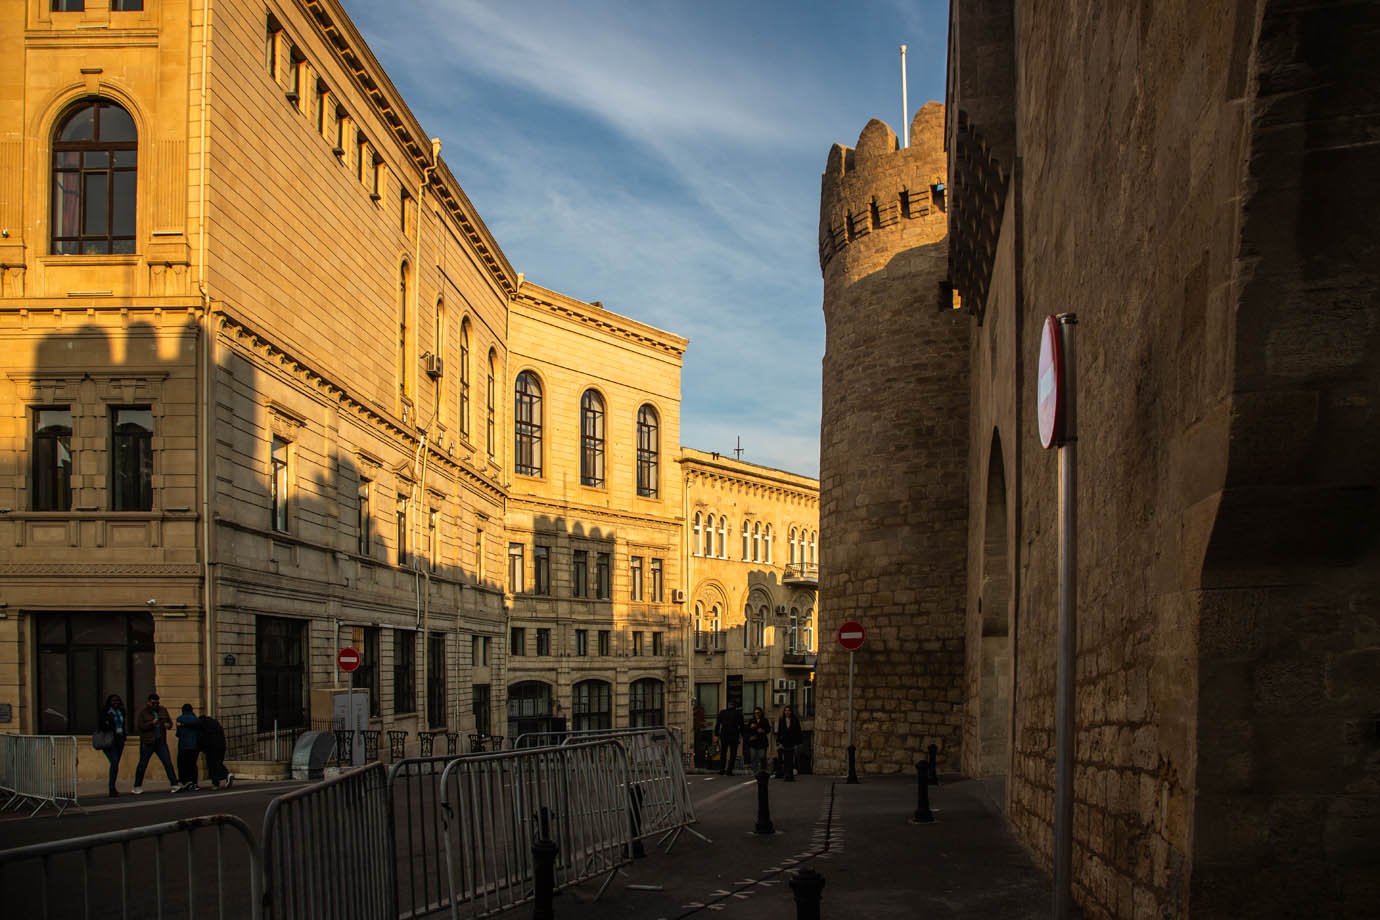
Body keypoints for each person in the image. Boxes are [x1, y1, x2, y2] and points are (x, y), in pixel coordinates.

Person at [132, 692, 180, 794]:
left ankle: (174, 784)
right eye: (153, 703)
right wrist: (151, 723)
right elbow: (140, 727)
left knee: (167, 762)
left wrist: (168, 724)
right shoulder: (143, 712)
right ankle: (137, 785)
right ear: (148, 702)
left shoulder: (162, 710)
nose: (155, 705)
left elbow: (170, 723)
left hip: (160, 741)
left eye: (157, 703)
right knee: (143, 764)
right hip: (148, 741)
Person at [98, 694, 128, 797]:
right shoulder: (106, 711)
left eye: (117, 701)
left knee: (115, 765)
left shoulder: (121, 711)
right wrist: (110, 719)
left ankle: (113, 787)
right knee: (114, 762)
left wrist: (124, 736)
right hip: (109, 741)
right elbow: (102, 725)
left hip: (119, 740)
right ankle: (111, 788)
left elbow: (123, 725)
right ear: (109, 702)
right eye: (113, 701)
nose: (116, 703)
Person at [197, 712, 234, 789]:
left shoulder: (202, 725)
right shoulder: (215, 723)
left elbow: (202, 737)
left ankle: (225, 775)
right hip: (221, 745)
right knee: (218, 762)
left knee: (212, 764)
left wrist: (201, 747)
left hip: (210, 747)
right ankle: (216, 783)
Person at [175, 703, 201, 791]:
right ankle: (195, 783)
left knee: (182, 764)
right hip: (194, 745)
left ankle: (186, 781)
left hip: (183, 745)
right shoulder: (196, 719)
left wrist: (182, 726)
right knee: (193, 765)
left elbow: (178, 734)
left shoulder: (179, 719)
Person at [713, 702, 743, 776]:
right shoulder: (738, 713)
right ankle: (729, 770)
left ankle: (722, 769)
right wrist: (741, 735)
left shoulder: (722, 712)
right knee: (733, 753)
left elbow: (718, 724)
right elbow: (741, 725)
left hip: (724, 734)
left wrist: (716, 734)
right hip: (734, 734)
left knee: (723, 752)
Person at [776, 705, 804, 781]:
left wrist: (799, 742)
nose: (787, 712)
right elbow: (779, 732)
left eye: (788, 710)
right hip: (784, 742)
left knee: (791, 759)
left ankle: (790, 775)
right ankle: (786, 775)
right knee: (785, 759)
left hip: (792, 742)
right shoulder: (781, 720)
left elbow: (798, 731)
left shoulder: (795, 720)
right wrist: (778, 743)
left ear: (791, 712)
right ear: (784, 712)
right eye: (786, 710)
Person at [744, 706, 772, 775]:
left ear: (761, 713)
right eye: (755, 713)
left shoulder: (764, 720)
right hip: (753, 742)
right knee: (753, 757)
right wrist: (750, 727)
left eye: (758, 713)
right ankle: (755, 771)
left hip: (762, 742)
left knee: (762, 756)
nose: (756, 714)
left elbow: (768, 729)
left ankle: (763, 770)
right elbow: (747, 730)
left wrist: (763, 730)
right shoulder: (751, 720)